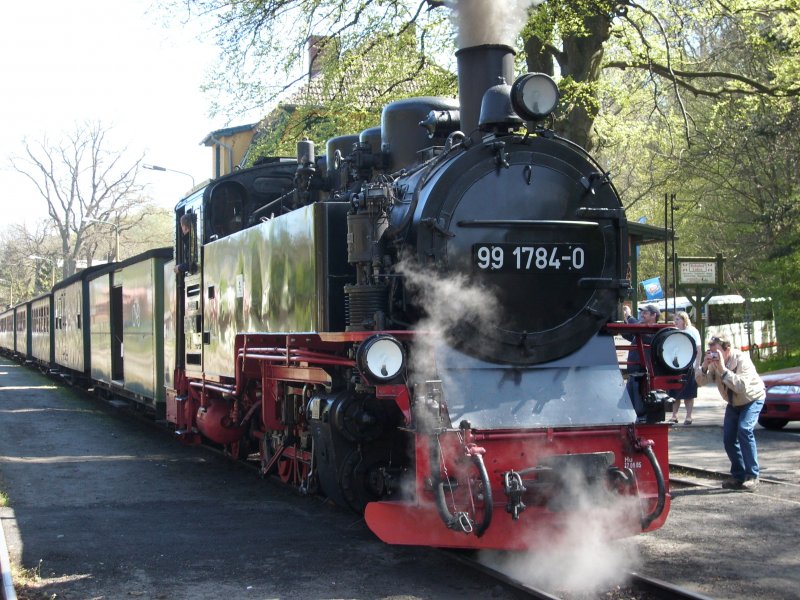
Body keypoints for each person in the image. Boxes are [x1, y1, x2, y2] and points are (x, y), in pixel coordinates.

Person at [696, 334, 766, 491]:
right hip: (734, 403)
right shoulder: (714, 363)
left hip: (752, 399)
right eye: (711, 352)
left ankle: (752, 476)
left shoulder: (742, 360)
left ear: (727, 349)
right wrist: (705, 366)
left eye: (716, 351)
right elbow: (700, 382)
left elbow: (741, 387)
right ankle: (739, 476)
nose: (713, 355)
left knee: (744, 430)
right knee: (728, 438)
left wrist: (722, 368)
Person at [621, 303, 660, 417]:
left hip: (644, 374)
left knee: (640, 406)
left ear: (654, 315)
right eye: (641, 312)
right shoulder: (640, 331)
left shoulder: (653, 331)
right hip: (634, 373)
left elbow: (636, 327)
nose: (642, 315)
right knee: (628, 402)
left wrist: (629, 316)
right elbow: (627, 334)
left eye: (645, 313)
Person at [669, 310, 701, 424]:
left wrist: (697, 365)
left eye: (677, 319)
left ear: (684, 320)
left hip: (689, 366)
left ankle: (688, 416)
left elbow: (698, 349)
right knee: (674, 393)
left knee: (689, 393)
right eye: (675, 319)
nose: (675, 322)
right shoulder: (674, 332)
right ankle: (674, 416)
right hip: (676, 366)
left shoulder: (693, 331)